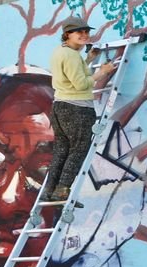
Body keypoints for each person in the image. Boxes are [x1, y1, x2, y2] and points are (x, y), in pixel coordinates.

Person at [41, 16, 117, 203]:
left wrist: (89, 60)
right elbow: (81, 84)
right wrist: (103, 72)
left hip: (60, 107)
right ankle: (63, 190)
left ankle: (49, 190)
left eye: (86, 32)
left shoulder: (60, 52)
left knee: (61, 149)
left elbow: (74, 75)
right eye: (79, 32)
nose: (84, 35)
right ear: (67, 34)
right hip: (77, 109)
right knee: (79, 149)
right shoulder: (71, 55)